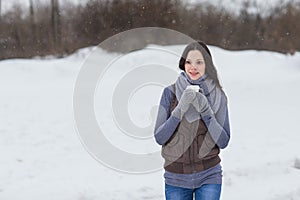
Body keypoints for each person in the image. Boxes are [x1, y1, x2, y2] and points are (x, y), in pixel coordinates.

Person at [154, 41, 231, 200]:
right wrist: (180, 110)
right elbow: (160, 137)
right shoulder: (169, 93)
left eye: (199, 62)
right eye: (189, 62)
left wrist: (207, 113)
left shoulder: (218, 96)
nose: (193, 67)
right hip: (176, 179)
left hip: (209, 176)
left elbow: (223, 141)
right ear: (183, 64)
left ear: (206, 65)